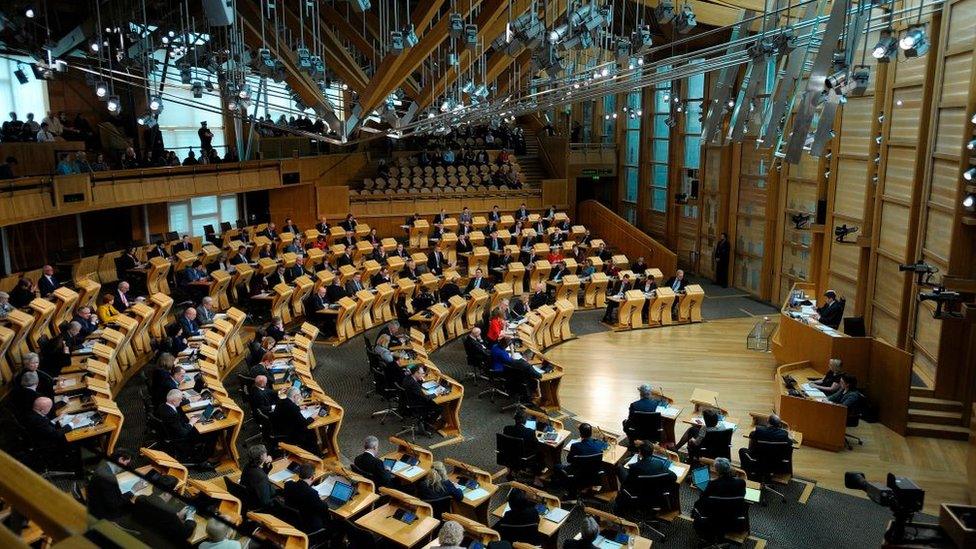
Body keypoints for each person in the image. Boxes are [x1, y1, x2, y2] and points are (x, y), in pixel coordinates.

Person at [128, 474, 196, 542]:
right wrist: (190, 517)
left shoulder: (141, 498)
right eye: (174, 490)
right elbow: (185, 534)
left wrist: (176, 516)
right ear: (166, 493)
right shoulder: (169, 513)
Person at [692, 457, 746, 540]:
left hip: (713, 520)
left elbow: (703, 498)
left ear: (717, 471)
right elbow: (742, 495)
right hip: (732, 519)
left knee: (697, 505)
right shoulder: (741, 482)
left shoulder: (712, 484)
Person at [738, 414, 792, 479]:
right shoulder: (784, 434)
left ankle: (746, 473)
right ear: (779, 424)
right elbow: (790, 442)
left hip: (758, 461)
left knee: (742, 450)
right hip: (776, 464)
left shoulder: (760, 431)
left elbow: (751, 435)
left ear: (768, 422)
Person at [283, 463, 332, 533]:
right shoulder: (312, 493)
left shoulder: (288, 485)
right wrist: (323, 502)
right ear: (312, 477)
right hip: (308, 525)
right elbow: (323, 509)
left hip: (291, 520)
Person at [87, 450, 134, 520]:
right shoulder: (108, 479)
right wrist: (133, 491)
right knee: (133, 507)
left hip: (94, 498)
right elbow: (114, 504)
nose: (125, 467)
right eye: (126, 463)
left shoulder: (104, 463)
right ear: (121, 459)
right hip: (101, 512)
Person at [272, 386, 316, 452]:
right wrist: (312, 417)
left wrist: (299, 408)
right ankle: (314, 452)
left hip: (278, 428)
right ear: (295, 396)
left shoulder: (282, 400)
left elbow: (288, 409)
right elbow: (304, 423)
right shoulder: (293, 408)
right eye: (299, 395)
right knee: (311, 430)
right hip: (289, 433)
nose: (300, 397)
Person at [401, 365, 441, 435]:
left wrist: (420, 381)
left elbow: (417, 390)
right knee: (439, 408)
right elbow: (426, 398)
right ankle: (426, 425)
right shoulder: (413, 384)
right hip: (415, 405)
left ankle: (425, 422)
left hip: (407, 402)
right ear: (416, 373)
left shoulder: (408, 378)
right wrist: (436, 394)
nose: (423, 375)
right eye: (422, 373)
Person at [241, 444, 277, 511]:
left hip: (248, 497)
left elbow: (259, 473)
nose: (267, 455)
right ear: (261, 457)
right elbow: (265, 502)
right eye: (266, 454)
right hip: (256, 505)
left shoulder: (247, 466)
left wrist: (267, 464)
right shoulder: (261, 477)